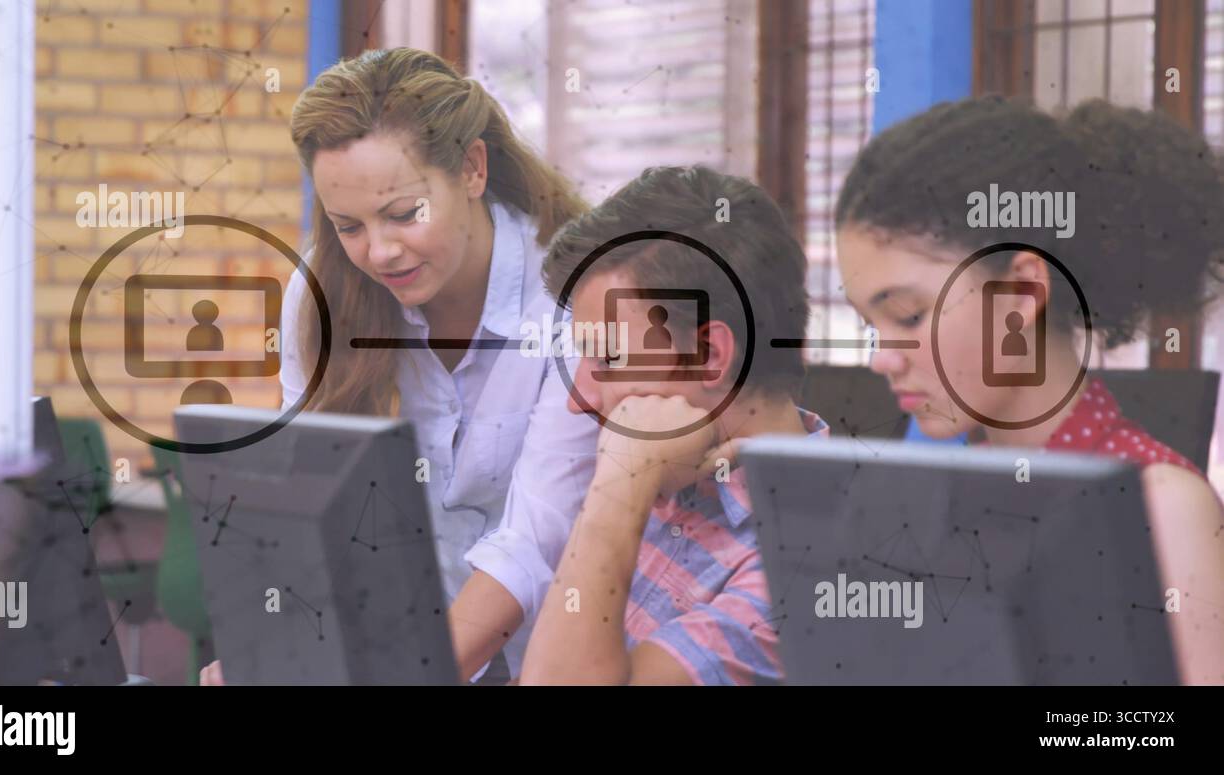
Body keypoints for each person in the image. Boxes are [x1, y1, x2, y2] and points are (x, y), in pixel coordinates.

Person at [200, 48, 599, 684]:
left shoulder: (575, 296)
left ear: (471, 168)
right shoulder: (323, 293)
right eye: (347, 225)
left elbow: (534, 539)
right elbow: (305, 508)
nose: (380, 252)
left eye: (403, 213)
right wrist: (276, 651)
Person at [834, 96, 1224, 684]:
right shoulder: (936, 501)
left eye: (909, 317)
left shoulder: (1157, 507)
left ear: (1019, 295)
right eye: (871, 325)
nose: (881, 359)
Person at [520, 166, 827, 685]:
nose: (579, 400)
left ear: (708, 354)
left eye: (609, 358)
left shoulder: (805, 561)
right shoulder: (672, 471)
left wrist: (620, 485)